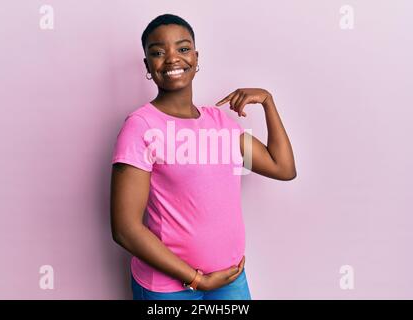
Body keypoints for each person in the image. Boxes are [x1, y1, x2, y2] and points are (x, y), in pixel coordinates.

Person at [110, 13, 296, 300]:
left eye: (183, 49)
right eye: (158, 52)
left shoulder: (219, 123)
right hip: (169, 288)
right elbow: (125, 229)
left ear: (196, 58)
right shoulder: (141, 126)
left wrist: (268, 102)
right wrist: (197, 280)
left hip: (230, 280)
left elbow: (281, 167)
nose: (172, 58)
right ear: (148, 65)